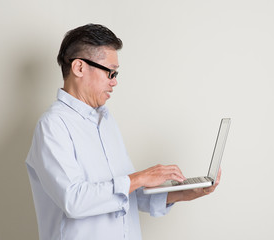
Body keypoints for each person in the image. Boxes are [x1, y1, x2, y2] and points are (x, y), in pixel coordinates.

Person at [26, 23, 221, 240]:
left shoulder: (105, 121)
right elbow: (74, 200)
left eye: (116, 73)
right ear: (79, 68)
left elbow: (126, 194)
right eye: (110, 72)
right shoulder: (53, 126)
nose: (115, 81)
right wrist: (139, 177)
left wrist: (185, 193)